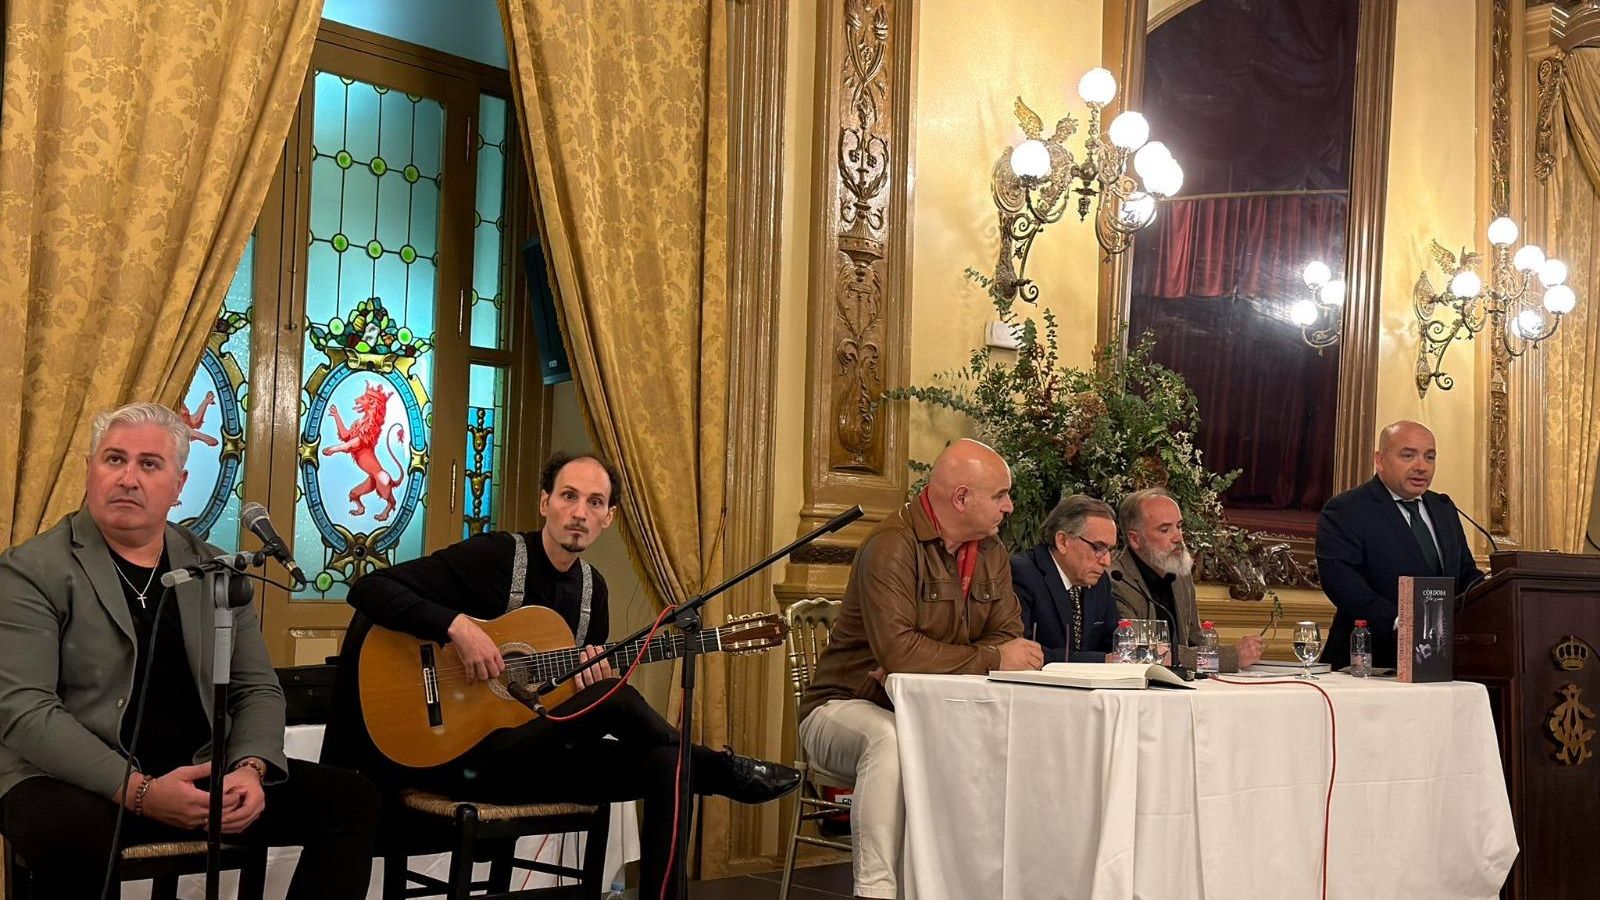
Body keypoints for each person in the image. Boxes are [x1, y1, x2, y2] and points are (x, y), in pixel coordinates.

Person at [329, 451, 799, 900]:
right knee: (616, 697)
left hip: (533, 761)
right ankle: (721, 770)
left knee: (667, 764)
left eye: (594, 502)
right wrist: (458, 628)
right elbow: (369, 588)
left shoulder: (594, 591)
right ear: (545, 502)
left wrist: (588, 684)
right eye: (568, 496)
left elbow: (568, 710)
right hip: (455, 756)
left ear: (608, 517)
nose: (579, 513)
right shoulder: (495, 557)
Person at [0, 402, 379, 899]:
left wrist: (250, 768)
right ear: (91, 469)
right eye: (114, 459)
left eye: (149, 464)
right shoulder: (30, 569)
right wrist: (141, 792)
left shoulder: (215, 569)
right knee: (69, 833)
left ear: (178, 486)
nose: (128, 478)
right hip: (78, 780)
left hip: (199, 769)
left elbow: (257, 689)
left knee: (350, 799)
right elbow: (25, 710)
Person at [798, 439, 1042, 900]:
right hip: (843, 704)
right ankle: (875, 891)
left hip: (938, 713)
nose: (1009, 506)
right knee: (889, 739)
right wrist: (988, 659)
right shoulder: (891, 546)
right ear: (962, 498)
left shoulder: (990, 551)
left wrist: (930, 664)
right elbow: (901, 653)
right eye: (1000, 495)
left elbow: (1010, 639)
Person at [1316, 420, 1484, 669]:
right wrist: (1401, 623)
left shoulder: (1443, 508)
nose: (1421, 467)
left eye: (1430, 457)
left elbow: (1465, 573)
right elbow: (1342, 583)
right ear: (1380, 460)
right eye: (1408, 455)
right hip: (1370, 659)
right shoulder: (1347, 509)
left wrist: (1493, 593)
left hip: (1441, 658)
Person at [1110, 488, 1264, 672]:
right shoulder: (1116, 580)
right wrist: (1230, 657)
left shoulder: (1180, 573)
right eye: (1165, 529)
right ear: (1135, 539)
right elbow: (1140, 654)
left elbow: (1195, 640)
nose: (1178, 537)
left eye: (1179, 526)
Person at [1011, 494, 1122, 663]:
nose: (1106, 561)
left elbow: (1113, 642)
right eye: (1098, 548)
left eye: (1110, 550)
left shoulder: (1099, 581)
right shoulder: (1023, 573)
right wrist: (1100, 660)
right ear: (1062, 541)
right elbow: (1020, 652)